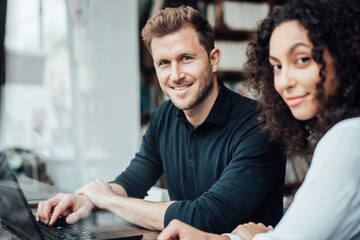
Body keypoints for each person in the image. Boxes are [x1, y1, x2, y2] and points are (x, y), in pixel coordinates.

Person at [35, 5, 285, 234]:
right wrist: (86, 201)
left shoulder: (262, 125)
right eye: (164, 63)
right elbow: (132, 181)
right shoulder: (163, 117)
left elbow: (206, 217)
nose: (175, 75)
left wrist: (108, 200)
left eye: (186, 58)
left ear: (213, 59)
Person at [157, 0, 360, 239]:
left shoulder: (348, 137)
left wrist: (247, 237)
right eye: (276, 66)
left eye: (302, 59)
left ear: (346, 54)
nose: (284, 82)